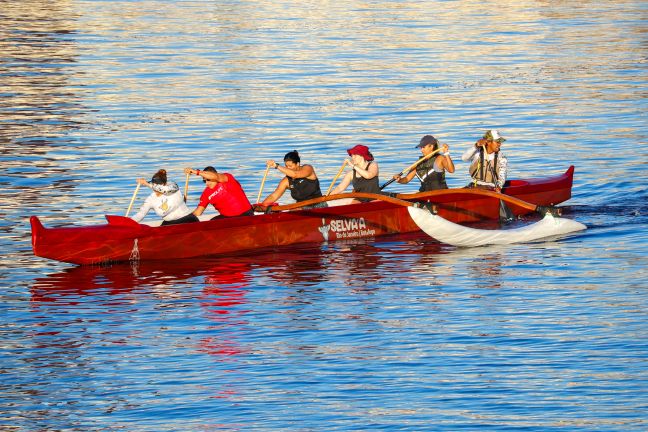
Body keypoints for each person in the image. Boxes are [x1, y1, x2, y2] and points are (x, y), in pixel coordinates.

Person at [260, 150, 327, 209]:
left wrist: (276, 166)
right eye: (286, 166)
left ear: (297, 164)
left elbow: (295, 174)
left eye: (290, 166)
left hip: (319, 206)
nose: (288, 168)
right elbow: (274, 196)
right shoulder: (286, 181)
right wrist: (261, 205)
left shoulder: (308, 168)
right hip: (301, 207)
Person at [131, 169, 199, 225]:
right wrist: (127, 223)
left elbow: (165, 190)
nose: (156, 188)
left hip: (187, 219)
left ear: (165, 184)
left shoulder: (173, 187)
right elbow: (140, 214)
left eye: (159, 185)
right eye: (154, 184)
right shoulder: (151, 199)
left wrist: (146, 184)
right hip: (169, 223)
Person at [184, 166, 254, 219]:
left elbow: (215, 176)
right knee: (210, 224)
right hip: (228, 218)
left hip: (245, 215)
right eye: (204, 181)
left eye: (208, 179)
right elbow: (198, 212)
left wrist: (196, 172)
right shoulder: (206, 193)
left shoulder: (227, 178)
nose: (207, 183)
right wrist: (184, 218)